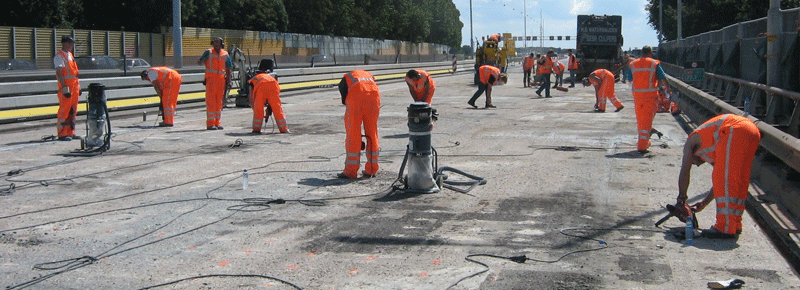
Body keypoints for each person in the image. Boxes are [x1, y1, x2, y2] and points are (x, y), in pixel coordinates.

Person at [676, 114, 761, 239]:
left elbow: (685, 170)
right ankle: (734, 224)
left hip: (733, 129)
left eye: (693, 162)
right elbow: (720, 183)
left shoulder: (691, 142)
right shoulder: (716, 144)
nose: (697, 165)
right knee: (739, 179)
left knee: (724, 178)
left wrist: (681, 198)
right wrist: (705, 202)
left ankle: (724, 227)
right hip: (751, 131)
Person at [626, 46, 671, 153]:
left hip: (637, 97)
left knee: (641, 120)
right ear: (650, 53)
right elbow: (663, 79)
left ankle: (645, 141)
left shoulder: (633, 64)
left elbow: (629, 78)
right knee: (646, 121)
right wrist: (668, 89)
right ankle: (642, 145)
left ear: (641, 53)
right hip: (650, 97)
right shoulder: (654, 63)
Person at [337, 70, 381, 179]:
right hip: (373, 96)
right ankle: (371, 169)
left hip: (357, 96)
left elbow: (342, 89)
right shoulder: (368, 75)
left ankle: (351, 171)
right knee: (372, 132)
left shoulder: (347, 78)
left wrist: (346, 102)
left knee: (353, 133)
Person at [197, 37, 233, 130]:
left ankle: (217, 122)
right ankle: (210, 124)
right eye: (214, 42)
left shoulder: (225, 54)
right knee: (211, 101)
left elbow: (228, 68)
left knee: (219, 102)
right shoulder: (208, 52)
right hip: (211, 80)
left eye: (217, 42)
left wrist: (229, 81)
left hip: (221, 80)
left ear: (221, 43)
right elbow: (199, 62)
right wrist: (202, 61)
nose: (215, 43)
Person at [53, 36, 81, 141]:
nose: (71, 45)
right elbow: (59, 73)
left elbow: (75, 74)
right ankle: (62, 133)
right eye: (70, 43)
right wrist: (64, 88)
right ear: (64, 43)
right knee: (65, 110)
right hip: (67, 87)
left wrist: (79, 87)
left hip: (74, 87)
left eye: (72, 43)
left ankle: (71, 132)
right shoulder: (59, 57)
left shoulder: (70, 55)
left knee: (73, 110)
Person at [248, 68, 290, 134]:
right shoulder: (269, 76)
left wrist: (254, 108)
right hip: (274, 85)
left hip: (261, 87)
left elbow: (251, 97)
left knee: (259, 109)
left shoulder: (252, 81)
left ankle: (256, 129)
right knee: (277, 108)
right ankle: (284, 129)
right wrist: (270, 107)